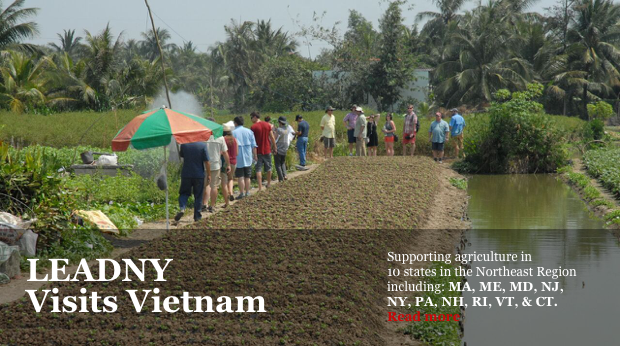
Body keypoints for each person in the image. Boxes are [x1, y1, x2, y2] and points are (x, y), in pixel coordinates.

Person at [175, 142, 210, 222]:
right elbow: (207, 161)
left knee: (184, 193)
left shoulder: (184, 144)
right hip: (198, 174)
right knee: (198, 196)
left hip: (186, 174)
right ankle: (197, 216)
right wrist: (209, 174)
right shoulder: (202, 145)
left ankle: (182, 208)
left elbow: (182, 155)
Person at [203, 119, 231, 212]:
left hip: (203, 165)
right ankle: (212, 205)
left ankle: (204, 204)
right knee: (214, 186)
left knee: (205, 185)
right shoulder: (220, 137)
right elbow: (225, 153)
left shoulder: (203, 137)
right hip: (215, 165)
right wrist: (228, 164)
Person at [232, 116, 257, 199]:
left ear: (235, 123)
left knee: (240, 176)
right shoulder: (249, 131)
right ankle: (247, 192)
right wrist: (255, 156)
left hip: (238, 156)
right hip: (248, 156)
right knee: (247, 176)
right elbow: (254, 145)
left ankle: (241, 193)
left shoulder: (233, 132)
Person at [250, 111, 276, 191]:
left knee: (258, 169)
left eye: (251, 117)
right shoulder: (267, 125)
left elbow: (252, 140)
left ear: (255, 117)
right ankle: (268, 183)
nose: (251, 119)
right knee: (269, 167)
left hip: (257, 151)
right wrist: (274, 147)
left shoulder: (253, 127)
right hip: (267, 149)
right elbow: (272, 137)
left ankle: (260, 187)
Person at [222, 121, 238, 202]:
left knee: (224, 180)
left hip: (226, 162)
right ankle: (231, 192)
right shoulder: (235, 140)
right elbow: (237, 153)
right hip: (234, 161)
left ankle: (226, 197)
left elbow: (222, 152)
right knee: (231, 178)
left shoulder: (223, 139)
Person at [274, 116, 293, 182]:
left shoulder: (278, 129)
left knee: (277, 164)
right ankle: (285, 175)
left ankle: (281, 178)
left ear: (279, 122)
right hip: (285, 148)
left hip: (279, 148)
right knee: (282, 163)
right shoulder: (287, 129)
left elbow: (275, 138)